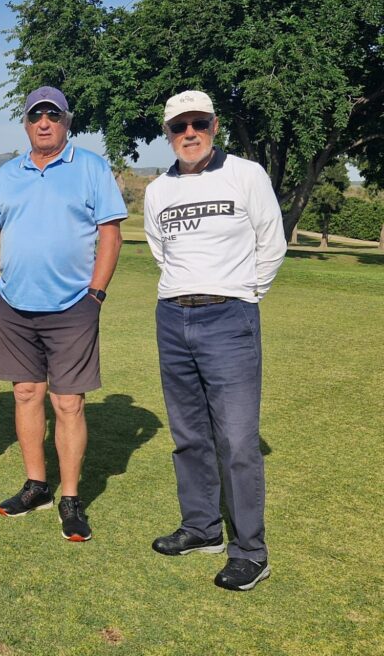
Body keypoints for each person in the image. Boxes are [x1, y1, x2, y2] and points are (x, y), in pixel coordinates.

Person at [144, 90, 286, 590]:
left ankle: (250, 551)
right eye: (179, 126)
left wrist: (244, 294)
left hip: (229, 315)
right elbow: (161, 250)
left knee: (238, 440)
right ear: (168, 133)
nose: (189, 133)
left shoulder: (246, 174)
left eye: (198, 123)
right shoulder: (157, 189)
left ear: (214, 125)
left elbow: (272, 243)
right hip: (172, 315)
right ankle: (202, 528)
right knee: (188, 433)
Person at [0, 85, 126, 540]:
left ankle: (70, 498)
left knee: (68, 402)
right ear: (26, 123)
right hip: (12, 306)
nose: (44, 122)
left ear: (66, 121)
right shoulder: (8, 174)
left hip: (73, 307)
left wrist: (95, 294)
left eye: (53, 115)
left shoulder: (91, 167)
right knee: (26, 393)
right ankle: (36, 486)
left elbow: (110, 233)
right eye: (36, 115)